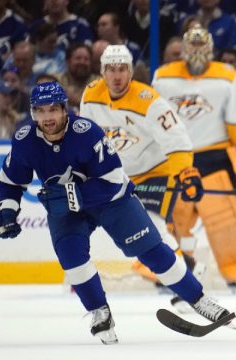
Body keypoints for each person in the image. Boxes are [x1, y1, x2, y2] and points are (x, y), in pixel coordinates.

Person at [0, 81, 233, 344]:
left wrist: (76, 194)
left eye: (53, 109)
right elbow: (11, 180)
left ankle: (198, 299)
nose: (47, 117)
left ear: (64, 109)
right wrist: (7, 210)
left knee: (152, 250)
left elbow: (114, 178)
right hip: (66, 209)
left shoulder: (87, 132)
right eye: (40, 111)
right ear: (33, 112)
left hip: (111, 201)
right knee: (71, 258)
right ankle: (99, 311)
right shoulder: (24, 139)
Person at [152, 26, 236, 296]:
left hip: (215, 157)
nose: (197, 52)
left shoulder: (227, 76)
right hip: (176, 158)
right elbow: (152, 119)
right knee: (172, 219)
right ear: (183, 48)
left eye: (202, 46)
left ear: (211, 48)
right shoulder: (163, 77)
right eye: (192, 46)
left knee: (224, 220)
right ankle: (163, 271)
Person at [80, 44, 198, 288]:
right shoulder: (90, 95)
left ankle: (185, 282)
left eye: (122, 69)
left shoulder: (149, 101)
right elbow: (85, 139)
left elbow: (176, 137)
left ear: (130, 71)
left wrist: (185, 171)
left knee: (154, 227)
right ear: (102, 72)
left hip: (155, 171)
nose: (116, 75)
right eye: (111, 69)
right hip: (118, 176)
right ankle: (186, 270)